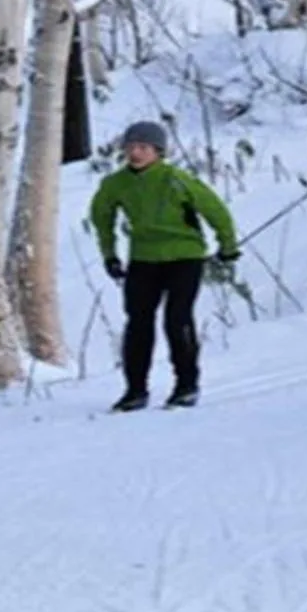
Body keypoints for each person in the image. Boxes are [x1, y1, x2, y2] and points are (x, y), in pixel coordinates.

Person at [89, 120, 239, 412]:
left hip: (184, 256)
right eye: (131, 147)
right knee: (138, 323)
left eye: (143, 147)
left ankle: (186, 385)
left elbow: (215, 210)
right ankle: (135, 390)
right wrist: (110, 255)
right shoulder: (115, 184)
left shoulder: (176, 179)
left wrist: (228, 246)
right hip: (143, 258)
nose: (136, 153)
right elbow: (101, 218)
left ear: (158, 151)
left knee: (177, 319)